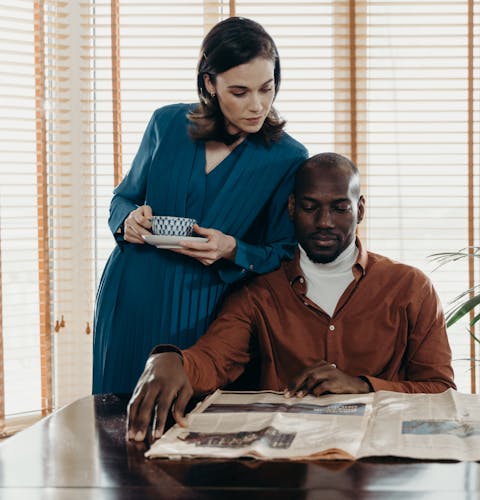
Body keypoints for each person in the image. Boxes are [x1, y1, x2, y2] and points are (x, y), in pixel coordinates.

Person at [127, 152, 455, 441]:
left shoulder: (411, 287)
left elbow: (440, 390)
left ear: (360, 209)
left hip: (383, 462)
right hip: (285, 468)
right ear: (292, 208)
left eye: (340, 208)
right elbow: (214, 358)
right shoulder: (258, 291)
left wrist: (364, 386)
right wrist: (171, 360)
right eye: (310, 207)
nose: (325, 222)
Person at [92, 17, 308, 394]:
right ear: (210, 83)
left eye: (267, 88)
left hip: (206, 308)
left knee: (195, 427)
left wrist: (233, 249)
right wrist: (128, 218)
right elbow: (123, 196)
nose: (257, 105)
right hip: (131, 294)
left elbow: (285, 252)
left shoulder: (287, 157)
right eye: (239, 92)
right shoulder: (166, 123)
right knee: (116, 424)